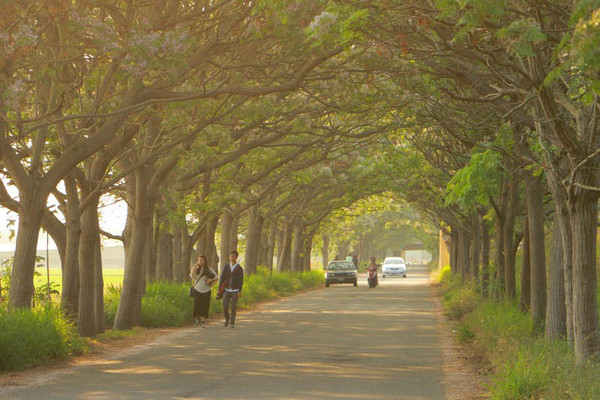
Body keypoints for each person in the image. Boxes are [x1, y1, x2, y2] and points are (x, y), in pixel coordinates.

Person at [190, 254, 218, 327]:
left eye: (202, 260)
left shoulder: (209, 269)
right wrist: (194, 266)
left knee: (204, 306)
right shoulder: (196, 269)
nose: (200, 261)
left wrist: (210, 280)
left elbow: (216, 278)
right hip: (197, 289)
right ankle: (197, 320)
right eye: (199, 260)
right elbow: (191, 275)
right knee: (196, 306)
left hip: (206, 290)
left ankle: (203, 321)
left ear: (205, 261)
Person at [219, 250, 244, 328]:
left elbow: (240, 280)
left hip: (235, 290)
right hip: (226, 289)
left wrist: (239, 291)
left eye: (233, 256)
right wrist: (220, 288)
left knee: (233, 306)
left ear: (236, 257)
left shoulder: (239, 268)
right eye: (231, 256)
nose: (232, 258)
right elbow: (222, 277)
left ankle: (232, 322)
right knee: (225, 306)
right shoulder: (226, 267)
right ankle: (227, 318)